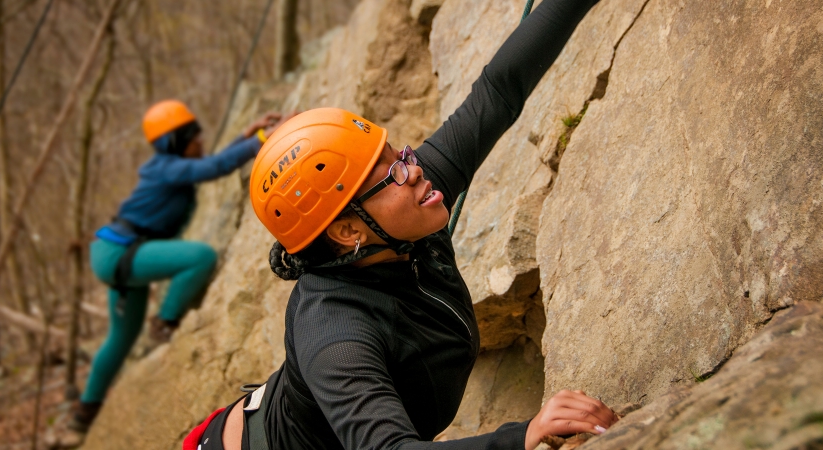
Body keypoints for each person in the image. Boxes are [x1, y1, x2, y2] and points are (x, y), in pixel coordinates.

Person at [186, 0, 617, 448]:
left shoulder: (402, 209)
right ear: (347, 231)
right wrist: (523, 435)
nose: (415, 170)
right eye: (391, 174)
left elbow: (497, 92)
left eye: (399, 154)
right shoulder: (336, 334)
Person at [70, 100, 294, 435]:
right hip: (119, 252)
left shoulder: (171, 166)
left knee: (122, 338)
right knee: (200, 257)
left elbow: (206, 163)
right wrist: (261, 139)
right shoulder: (164, 167)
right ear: (173, 142)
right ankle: (165, 322)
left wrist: (246, 136)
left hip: (117, 251)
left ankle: (83, 415)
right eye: (193, 137)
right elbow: (210, 168)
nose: (200, 141)